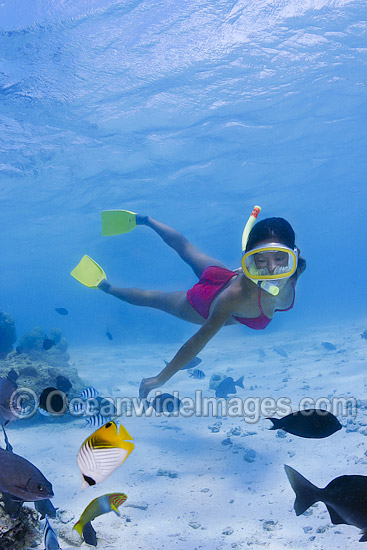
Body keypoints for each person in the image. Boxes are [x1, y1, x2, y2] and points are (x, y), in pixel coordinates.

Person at [97, 210, 306, 399]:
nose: (272, 269)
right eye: (260, 260)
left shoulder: (297, 268)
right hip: (203, 303)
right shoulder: (235, 297)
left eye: (281, 258)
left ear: (294, 256)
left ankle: (145, 220)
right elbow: (199, 340)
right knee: (155, 299)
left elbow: (293, 265)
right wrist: (161, 378)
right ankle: (106, 286)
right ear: (249, 260)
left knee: (187, 248)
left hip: (223, 274)